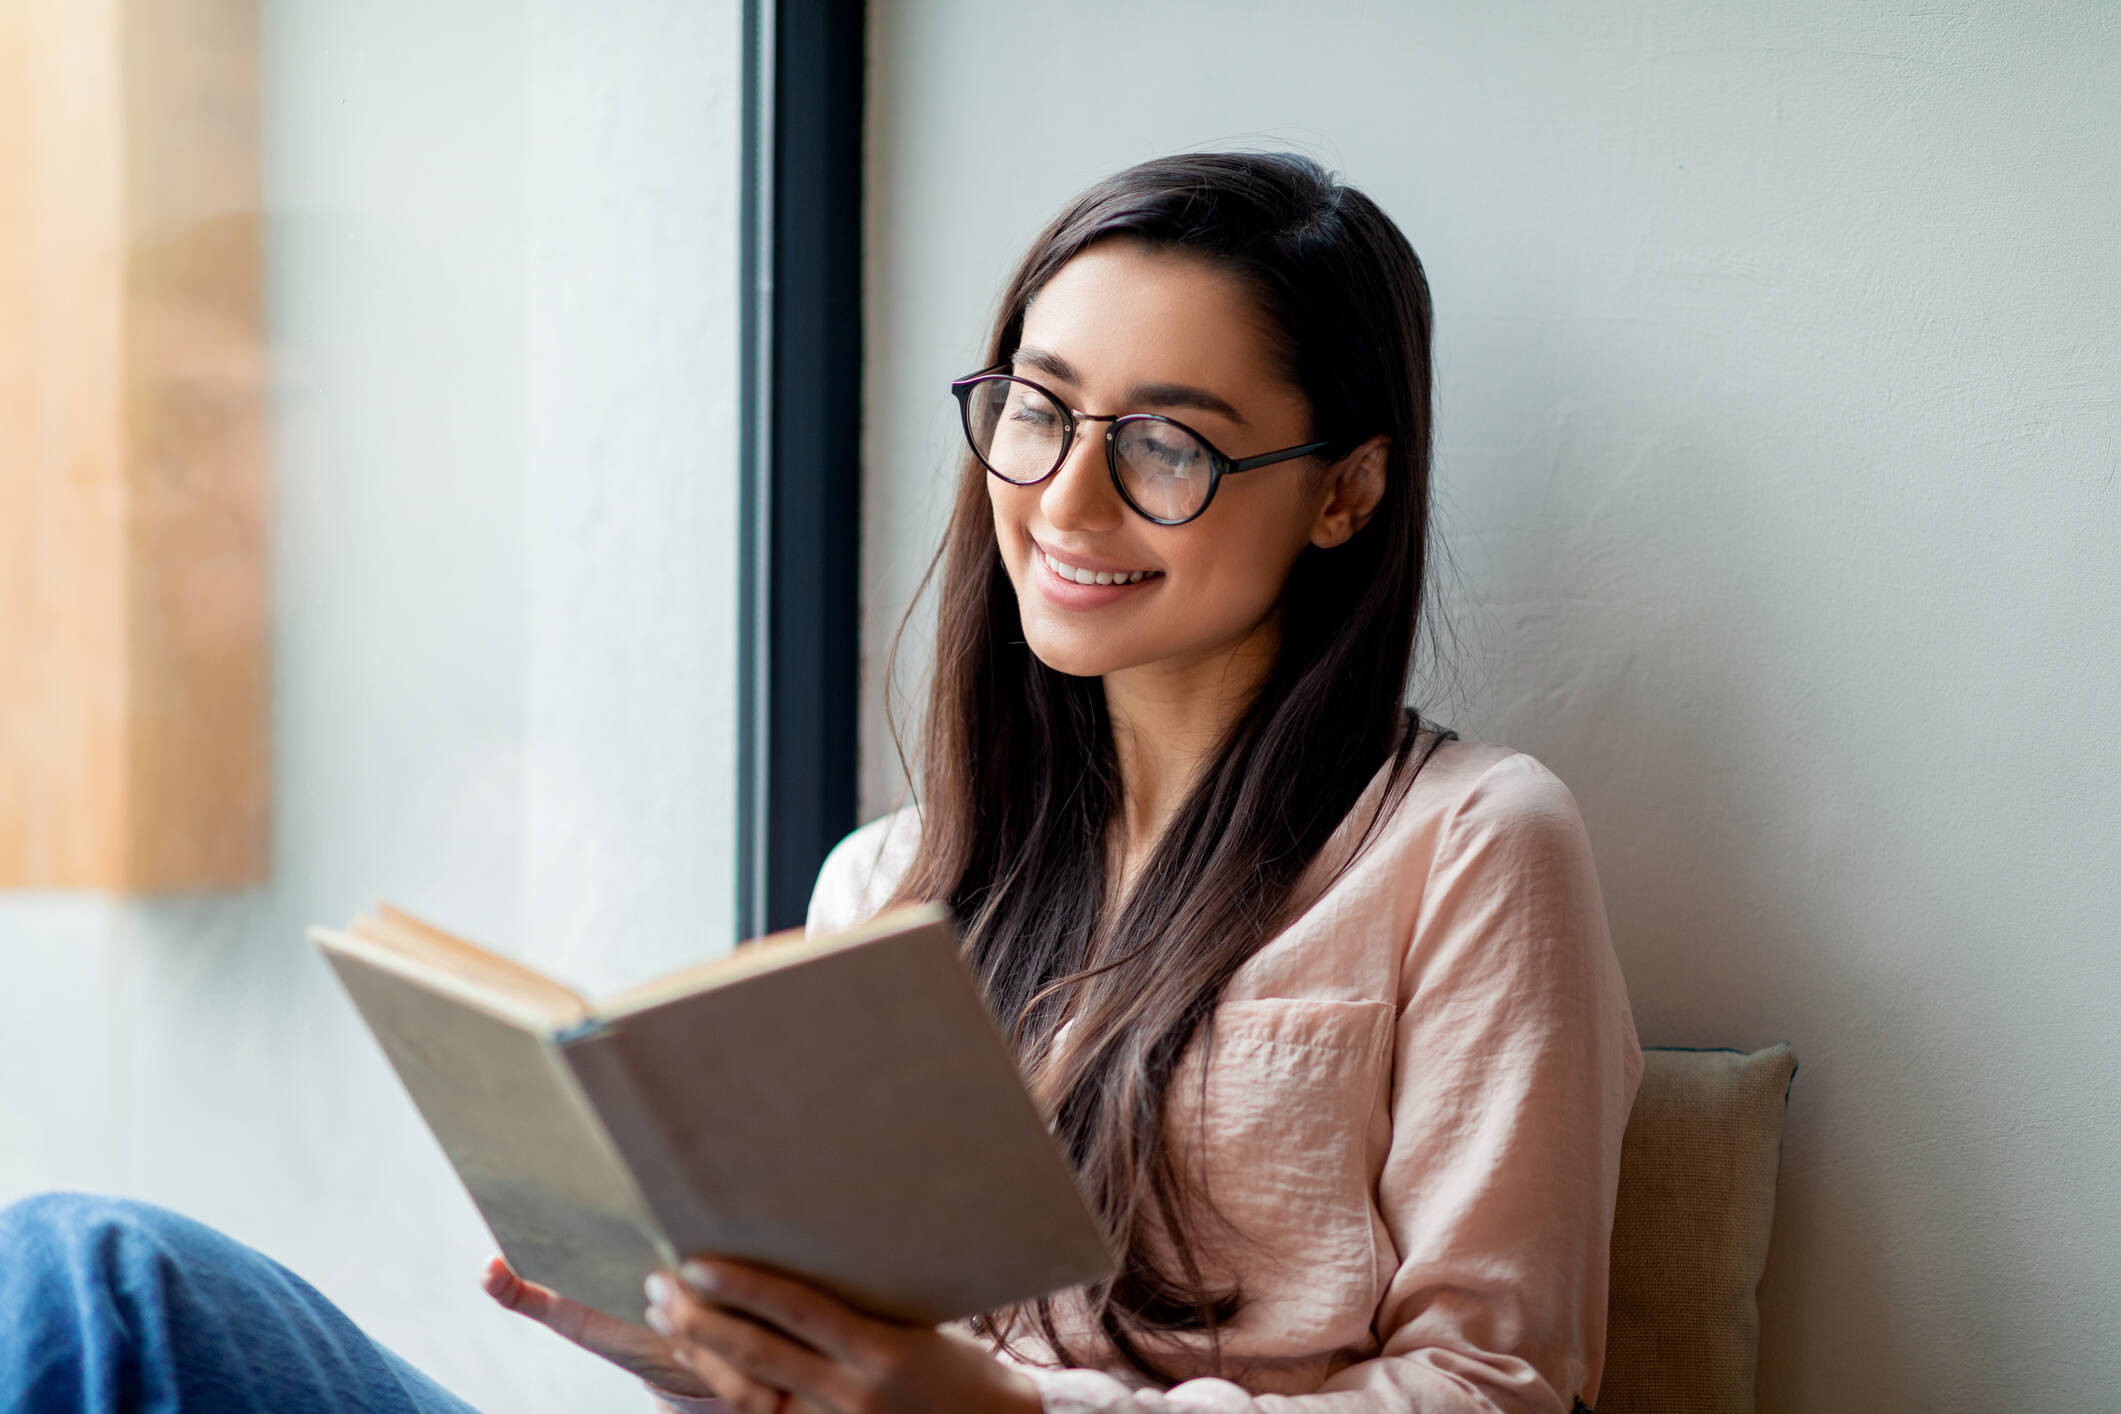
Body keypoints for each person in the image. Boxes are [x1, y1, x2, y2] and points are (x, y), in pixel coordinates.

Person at [0, 151, 1642, 1414]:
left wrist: (996, 1408)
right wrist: (708, 1344)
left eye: (1166, 445)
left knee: (100, 1288)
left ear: (1345, 488)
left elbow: (1490, 1390)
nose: (1066, 498)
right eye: (1036, 411)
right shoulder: (890, 884)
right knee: (77, 1283)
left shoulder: (1463, 847)